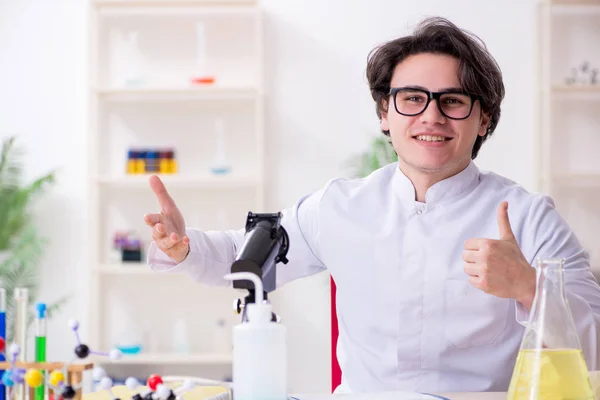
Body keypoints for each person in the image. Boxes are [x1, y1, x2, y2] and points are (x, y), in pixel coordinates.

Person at [143, 17, 600, 394]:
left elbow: (594, 340)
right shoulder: (340, 206)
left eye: (454, 101)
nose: (431, 116)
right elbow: (247, 256)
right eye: (412, 98)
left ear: (483, 119)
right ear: (386, 113)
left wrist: (528, 286)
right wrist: (183, 246)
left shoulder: (528, 217)